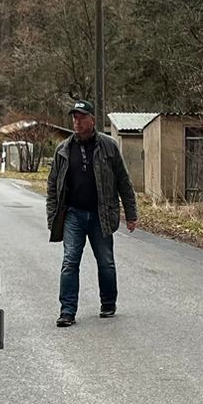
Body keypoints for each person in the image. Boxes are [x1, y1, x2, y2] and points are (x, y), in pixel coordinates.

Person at [46, 100, 137, 326]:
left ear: (92, 120)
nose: (77, 122)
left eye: (82, 117)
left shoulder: (108, 146)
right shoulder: (63, 149)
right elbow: (52, 185)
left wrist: (131, 214)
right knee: (70, 262)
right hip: (73, 215)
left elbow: (123, 181)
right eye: (74, 118)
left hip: (101, 214)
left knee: (106, 262)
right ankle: (67, 311)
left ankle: (108, 303)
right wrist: (52, 217)